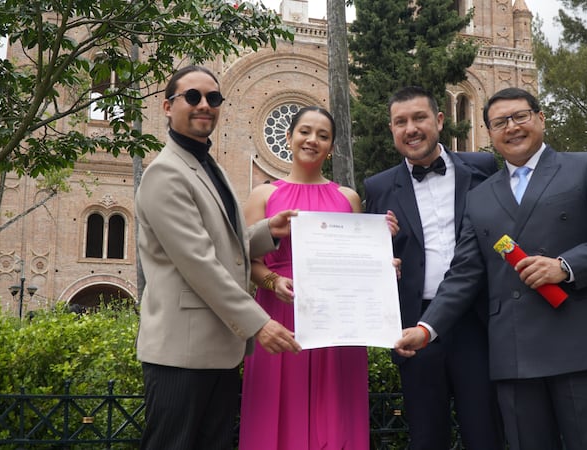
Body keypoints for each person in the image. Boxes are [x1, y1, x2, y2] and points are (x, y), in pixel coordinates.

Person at [395, 87, 587, 450]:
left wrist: (566, 266)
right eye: (499, 123)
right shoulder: (479, 197)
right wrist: (426, 328)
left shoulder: (585, 166)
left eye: (520, 117)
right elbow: (464, 273)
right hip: (514, 356)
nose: (511, 127)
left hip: (579, 345)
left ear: (540, 119)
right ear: (490, 135)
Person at [135, 65, 302, 450]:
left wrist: (266, 233)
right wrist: (259, 323)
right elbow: (198, 262)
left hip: (217, 352)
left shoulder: (208, 167)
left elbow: (222, 243)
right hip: (181, 354)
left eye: (213, 98)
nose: (204, 105)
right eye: (192, 97)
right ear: (167, 106)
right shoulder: (165, 174)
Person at [239, 106, 398, 450]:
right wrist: (271, 282)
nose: (312, 140)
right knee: (278, 413)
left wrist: (383, 266)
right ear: (289, 137)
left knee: (336, 415)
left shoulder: (348, 198)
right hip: (280, 316)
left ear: (332, 147)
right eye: (305, 132)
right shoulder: (263, 195)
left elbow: (360, 262)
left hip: (337, 325)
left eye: (323, 136)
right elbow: (244, 261)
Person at [364, 86, 505, 449]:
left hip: (477, 321)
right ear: (392, 129)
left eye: (419, 118)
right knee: (427, 436)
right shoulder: (378, 187)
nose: (410, 128)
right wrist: (383, 256)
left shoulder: (484, 168)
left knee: (485, 432)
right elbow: (374, 259)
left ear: (439, 121)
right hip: (415, 325)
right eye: (400, 122)